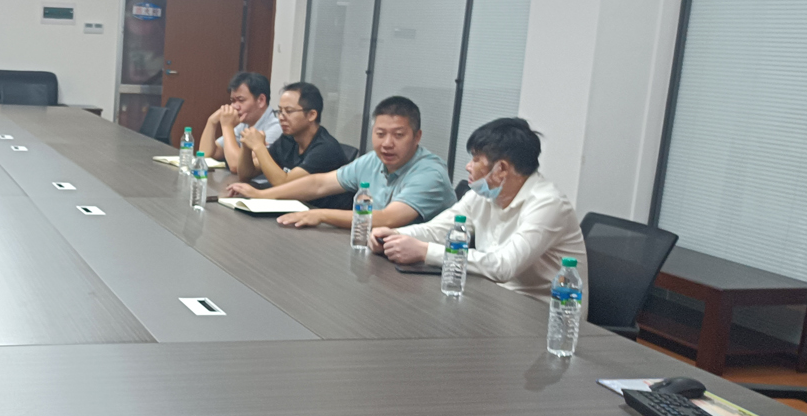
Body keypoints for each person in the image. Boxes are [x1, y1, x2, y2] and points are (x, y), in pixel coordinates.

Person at [372, 117, 587, 301]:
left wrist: (425, 251)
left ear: (501, 168)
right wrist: (394, 235)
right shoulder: (484, 193)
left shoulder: (548, 204)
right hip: (492, 297)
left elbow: (504, 266)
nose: (468, 166)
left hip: (543, 313)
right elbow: (438, 229)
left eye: (476, 160)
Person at [225, 95, 455, 230]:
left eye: (398, 135)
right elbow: (319, 183)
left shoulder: (429, 173)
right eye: (380, 133)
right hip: (377, 249)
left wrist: (321, 215)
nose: (387, 143)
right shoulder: (373, 160)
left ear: (417, 137)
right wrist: (262, 195)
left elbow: (389, 218)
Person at [234, 82, 349, 206]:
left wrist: (258, 147)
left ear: (311, 115)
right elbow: (246, 175)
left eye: (288, 111)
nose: (281, 117)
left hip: (318, 213)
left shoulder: (325, 149)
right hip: (292, 208)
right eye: (280, 111)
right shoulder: (288, 139)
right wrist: (246, 146)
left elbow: (284, 185)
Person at [196, 71, 282, 173]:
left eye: (241, 100)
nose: (234, 106)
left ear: (261, 100)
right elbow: (207, 154)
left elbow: (236, 166)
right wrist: (212, 122)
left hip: (261, 182)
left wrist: (227, 126)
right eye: (233, 101)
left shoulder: (276, 127)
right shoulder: (245, 124)